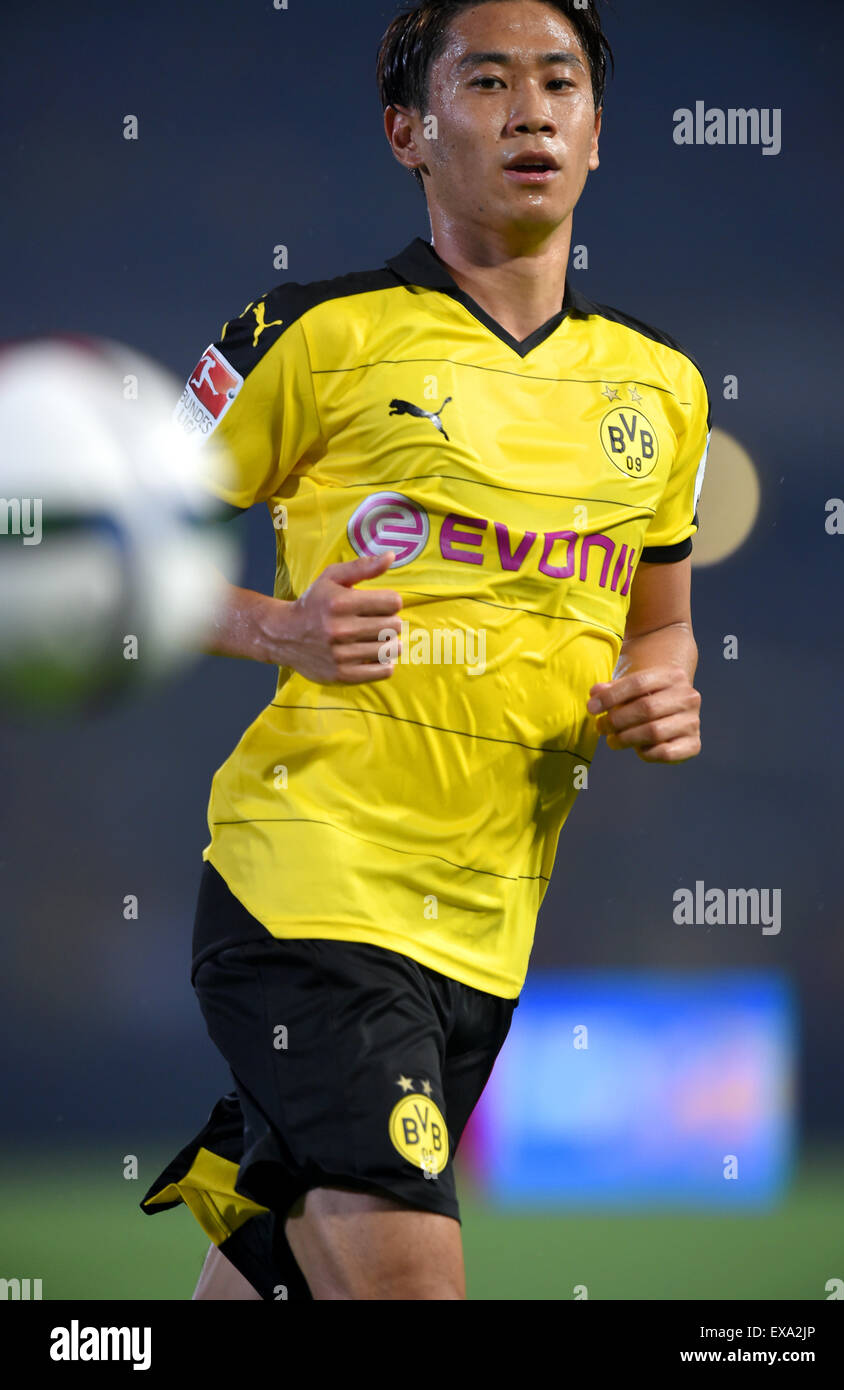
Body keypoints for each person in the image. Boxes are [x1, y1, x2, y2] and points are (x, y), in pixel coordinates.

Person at [141, 0, 710, 1301]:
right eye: (489, 80)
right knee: (409, 1282)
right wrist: (271, 626)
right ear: (409, 129)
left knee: (274, 1279)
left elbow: (663, 628)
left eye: (559, 83)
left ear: (598, 133)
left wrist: (667, 692)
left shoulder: (662, 386)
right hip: (311, 892)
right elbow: (94, 559)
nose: (531, 110)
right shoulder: (303, 332)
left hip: (483, 932)